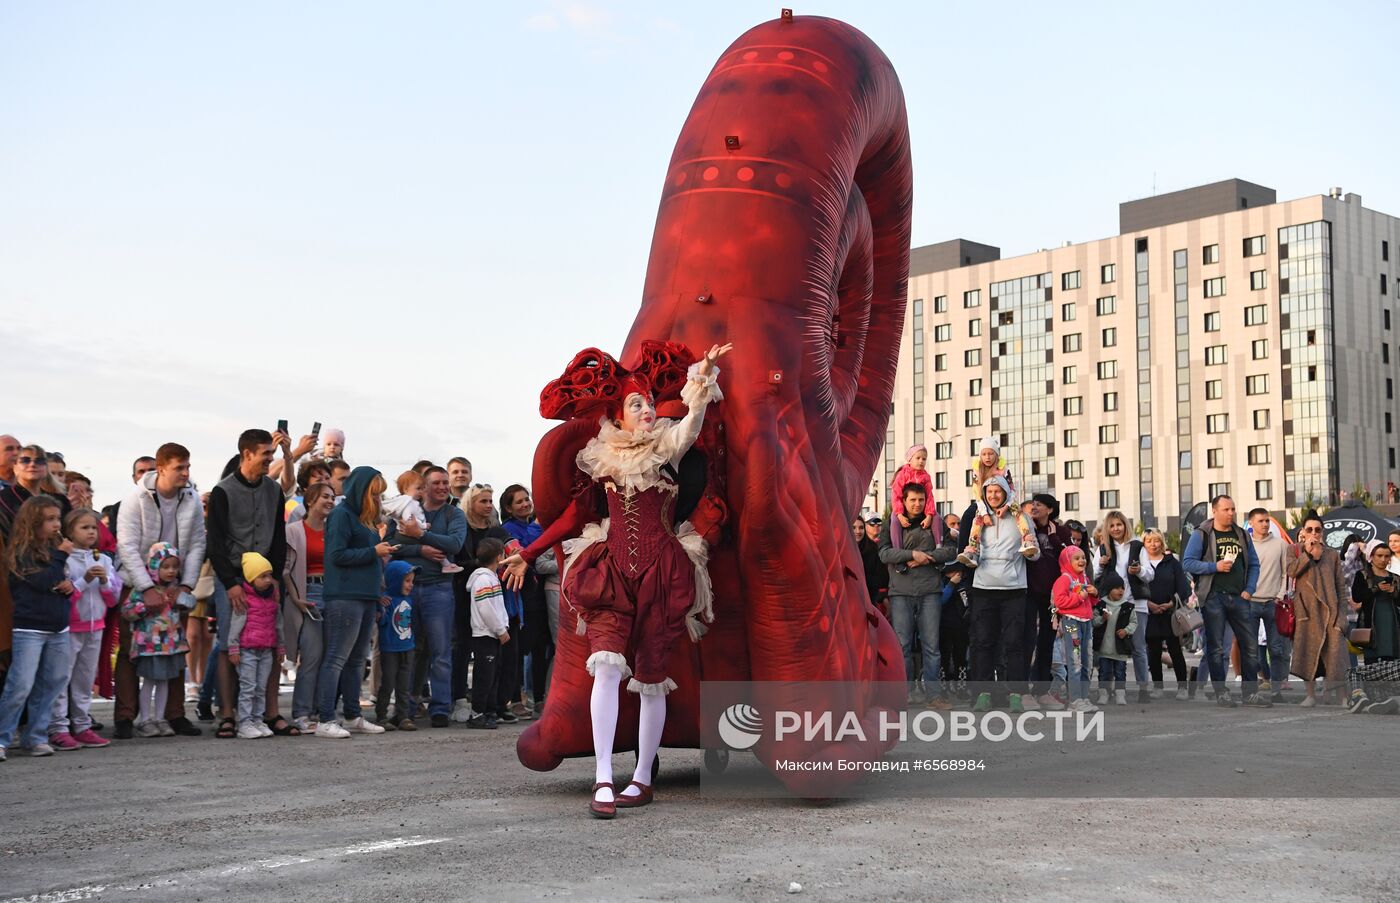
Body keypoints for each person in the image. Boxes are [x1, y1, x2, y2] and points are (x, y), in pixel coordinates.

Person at [503, 341, 729, 818]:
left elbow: (691, 423)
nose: (647, 410)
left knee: (650, 677)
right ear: (619, 416)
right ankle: (604, 776)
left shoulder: (668, 446)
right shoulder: (600, 456)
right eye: (636, 404)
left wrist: (703, 374)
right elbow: (574, 516)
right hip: (610, 573)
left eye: (648, 403)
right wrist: (529, 551)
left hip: (662, 574)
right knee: (605, 668)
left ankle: (643, 776)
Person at [113, 442, 206, 739]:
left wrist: (186, 585)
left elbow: (196, 545)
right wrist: (147, 587)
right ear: (162, 468)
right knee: (130, 652)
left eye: (188, 466)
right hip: (136, 583)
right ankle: (126, 717)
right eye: (180, 467)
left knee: (175, 647)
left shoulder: (190, 499)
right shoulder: (136, 498)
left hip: (174, 584)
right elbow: (126, 546)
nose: (186, 472)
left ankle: (174, 715)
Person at [206, 430, 291, 739]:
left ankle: (269, 711)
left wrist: (276, 577)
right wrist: (230, 583)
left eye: (272, 453)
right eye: (266, 453)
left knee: (269, 643)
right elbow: (214, 542)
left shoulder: (273, 490)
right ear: (246, 455)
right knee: (233, 643)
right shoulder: (223, 491)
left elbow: (279, 539)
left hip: (266, 579)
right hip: (234, 578)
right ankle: (228, 713)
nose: (271, 458)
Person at [387, 465, 466, 728]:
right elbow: (392, 546)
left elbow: (454, 544)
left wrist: (420, 534)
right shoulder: (403, 510)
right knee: (409, 651)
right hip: (408, 590)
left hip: (439, 589)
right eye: (436, 483)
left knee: (441, 652)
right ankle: (406, 707)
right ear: (424, 486)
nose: (443, 487)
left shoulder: (454, 514)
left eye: (446, 483)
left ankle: (440, 708)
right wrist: (421, 549)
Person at [316, 465, 390, 739]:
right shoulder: (341, 515)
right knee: (336, 658)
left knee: (357, 660)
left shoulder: (363, 519)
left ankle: (352, 714)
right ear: (362, 490)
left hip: (365, 596)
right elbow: (336, 555)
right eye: (375, 493)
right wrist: (373, 551)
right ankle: (325, 718)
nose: (379, 498)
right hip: (345, 597)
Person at [0, 496, 75, 761]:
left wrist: (68, 587)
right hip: (30, 629)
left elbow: (58, 582)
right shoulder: (21, 552)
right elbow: (42, 581)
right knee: (20, 684)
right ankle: (2, 737)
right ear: (33, 522)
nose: (57, 525)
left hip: (58, 627)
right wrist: (61, 559)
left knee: (52, 683)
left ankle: (36, 736)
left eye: (58, 518)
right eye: (50, 519)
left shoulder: (55, 551)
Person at [966, 475, 1041, 713]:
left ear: (1007, 492)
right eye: (989, 492)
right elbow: (972, 547)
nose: (994, 496)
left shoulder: (1021, 517)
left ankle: (1016, 693)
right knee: (983, 642)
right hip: (984, 589)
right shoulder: (979, 518)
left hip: (1013, 590)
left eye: (998, 491)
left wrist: (1030, 553)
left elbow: (1036, 552)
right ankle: (983, 693)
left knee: (1014, 643)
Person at [1183, 495, 1266, 707]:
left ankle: (1249, 693)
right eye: (1226, 509)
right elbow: (1188, 563)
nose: (1231, 513)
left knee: (1249, 645)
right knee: (1216, 647)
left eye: (1233, 509)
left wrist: (1249, 588)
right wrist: (1214, 567)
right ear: (1215, 511)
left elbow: (1254, 564)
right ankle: (1222, 692)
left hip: (1239, 597)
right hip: (1213, 597)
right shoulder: (1202, 534)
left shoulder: (1241, 534)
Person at [878, 482, 955, 708]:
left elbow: (951, 550)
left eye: (921, 500)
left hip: (930, 591)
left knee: (932, 646)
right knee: (901, 646)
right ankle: (904, 694)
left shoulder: (936, 522)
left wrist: (926, 557)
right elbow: (884, 553)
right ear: (903, 500)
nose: (917, 504)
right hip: (900, 592)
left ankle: (934, 696)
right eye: (912, 500)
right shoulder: (892, 524)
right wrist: (911, 553)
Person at [48, 509, 119, 750]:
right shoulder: (64, 559)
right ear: (69, 532)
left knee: (85, 679)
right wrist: (85, 579)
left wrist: (104, 581)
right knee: (61, 677)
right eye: (84, 527)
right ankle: (58, 727)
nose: (91, 532)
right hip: (69, 628)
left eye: (94, 528)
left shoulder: (105, 560)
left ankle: (81, 725)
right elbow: (63, 595)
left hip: (95, 627)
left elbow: (112, 599)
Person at [451, 484, 511, 720]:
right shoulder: (462, 528)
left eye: (490, 501)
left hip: (489, 597)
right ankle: (464, 702)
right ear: (470, 503)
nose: (488, 505)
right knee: (464, 650)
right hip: (466, 597)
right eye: (483, 501)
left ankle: (491, 706)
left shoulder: (495, 531)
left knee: (490, 666)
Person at [121, 543, 190, 738]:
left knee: (164, 682)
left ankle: (160, 718)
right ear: (153, 566)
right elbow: (127, 611)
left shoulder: (175, 590)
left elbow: (189, 606)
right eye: (166, 566)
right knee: (150, 681)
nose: (171, 571)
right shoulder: (142, 591)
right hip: (149, 645)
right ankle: (145, 719)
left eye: (175, 567)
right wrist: (145, 607)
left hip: (171, 645)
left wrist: (181, 600)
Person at [1287, 510, 1351, 708]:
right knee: (1307, 653)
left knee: (1337, 656)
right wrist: (1307, 553)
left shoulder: (1332, 554)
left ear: (1322, 532)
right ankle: (1311, 695)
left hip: (1331, 613)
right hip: (1307, 613)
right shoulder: (1294, 550)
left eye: (1317, 529)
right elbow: (1291, 571)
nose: (1314, 533)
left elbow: (1340, 586)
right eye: (1309, 529)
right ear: (1303, 531)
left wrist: (1342, 618)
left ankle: (1342, 697)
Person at [285, 482, 334, 733]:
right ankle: (302, 713)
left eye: (332, 497)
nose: (329, 501)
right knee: (312, 656)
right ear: (311, 500)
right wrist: (295, 599)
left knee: (329, 657)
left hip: (333, 594)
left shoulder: (333, 530)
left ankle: (320, 710)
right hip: (308, 593)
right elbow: (285, 570)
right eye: (325, 496)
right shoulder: (293, 530)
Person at [1093, 511, 1154, 703]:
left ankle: (1143, 687)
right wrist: (1102, 565)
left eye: (1119, 525)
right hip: (1110, 604)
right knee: (1109, 646)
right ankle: (1110, 688)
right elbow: (1093, 575)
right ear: (1106, 529)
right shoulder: (1103, 548)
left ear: (1125, 525)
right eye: (1111, 526)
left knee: (1138, 647)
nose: (1116, 529)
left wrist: (1139, 571)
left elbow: (1150, 574)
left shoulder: (1137, 546)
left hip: (1135, 602)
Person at [501, 485, 548, 717]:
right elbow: (528, 551)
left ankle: (538, 697)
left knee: (540, 647)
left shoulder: (536, 524)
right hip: (522, 592)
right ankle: (516, 697)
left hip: (541, 591)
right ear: (508, 508)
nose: (525, 503)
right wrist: (537, 527)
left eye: (526, 498)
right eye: (518, 501)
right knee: (520, 648)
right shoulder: (508, 529)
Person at [228, 553, 285, 739]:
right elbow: (235, 626)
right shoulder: (244, 600)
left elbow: (278, 625)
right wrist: (234, 648)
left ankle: (257, 719)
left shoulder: (272, 600)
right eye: (263, 576)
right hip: (247, 651)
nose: (269, 580)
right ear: (251, 578)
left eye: (269, 575)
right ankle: (245, 722)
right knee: (248, 687)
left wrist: (280, 646)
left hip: (266, 650)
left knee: (261, 687)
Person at [1024, 493, 1071, 707]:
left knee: (1047, 640)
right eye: (1033, 504)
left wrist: (1054, 539)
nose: (1034, 507)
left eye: (1039, 504)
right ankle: (1023, 690)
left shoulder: (1061, 532)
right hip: (1030, 594)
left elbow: (1072, 558)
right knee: (1028, 639)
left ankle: (1042, 690)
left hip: (1053, 599)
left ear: (1050, 509)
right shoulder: (1026, 528)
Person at [957, 438, 1035, 566]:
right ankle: (972, 549)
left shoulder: (1003, 468)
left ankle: (1027, 539)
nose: (987, 457)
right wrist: (984, 513)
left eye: (991, 453)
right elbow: (977, 494)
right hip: (984, 501)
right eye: (984, 454)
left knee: (1019, 513)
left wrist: (1006, 506)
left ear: (996, 455)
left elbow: (1012, 490)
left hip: (1005, 499)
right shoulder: (977, 470)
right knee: (976, 520)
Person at [1139, 529, 1192, 700]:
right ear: (1143, 543)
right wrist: (1149, 604)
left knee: (1175, 650)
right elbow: (1134, 587)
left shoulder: (1172, 562)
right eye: (1149, 541)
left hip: (1170, 612)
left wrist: (1171, 602)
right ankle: (1157, 686)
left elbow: (1183, 587)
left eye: (1156, 540)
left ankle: (1183, 687)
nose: (1153, 544)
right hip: (1149, 612)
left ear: (1162, 542)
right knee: (1153, 651)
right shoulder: (1140, 564)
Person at [1348, 540, 1400, 713]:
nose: (1383, 559)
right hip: (1370, 622)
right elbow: (1357, 596)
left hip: (1391, 622)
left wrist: (1394, 592)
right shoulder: (1362, 575)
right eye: (1379, 556)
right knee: (1370, 659)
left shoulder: (1395, 578)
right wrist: (1376, 589)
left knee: (1389, 659)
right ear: (1371, 557)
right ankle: (1371, 696)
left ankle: (1386, 697)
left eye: (1387, 556)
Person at [1246, 508, 1293, 700]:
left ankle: (1276, 690)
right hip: (1251, 603)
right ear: (1251, 523)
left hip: (1274, 603)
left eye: (1266, 521)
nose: (1265, 524)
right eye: (1260, 521)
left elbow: (1285, 573)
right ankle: (1251, 689)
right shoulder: (1246, 545)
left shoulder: (1280, 544)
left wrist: (1280, 595)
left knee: (1276, 649)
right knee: (1251, 649)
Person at [466, 538, 509, 730]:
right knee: (484, 676)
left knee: (493, 675)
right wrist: (500, 630)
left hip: (493, 634)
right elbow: (486, 608)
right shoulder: (484, 579)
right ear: (499, 557)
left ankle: (489, 711)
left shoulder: (491, 578)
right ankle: (477, 713)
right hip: (486, 634)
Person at [1050, 545, 1098, 712]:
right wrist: (1079, 597)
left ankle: (1083, 698)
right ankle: (1074, 699)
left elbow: (1090, 603)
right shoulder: (1064, 579)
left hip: (1087, 623)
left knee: (1087, 661)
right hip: (1071, 624)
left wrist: (1094, 594)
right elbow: (1059, 602)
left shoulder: (1084, 579)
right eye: (1077, 558)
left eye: (1083, 557)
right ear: (1067, 561)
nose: (1082, 561)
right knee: (1075, 660)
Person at [375, 561, 418, 731]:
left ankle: (403, 716)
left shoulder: (409, 599)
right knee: (388, 684)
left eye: (412, 581)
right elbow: (382, 622)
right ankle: (381, 716)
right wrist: (381, 607)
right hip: (390, 649)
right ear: (394, 580)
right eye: (407, 581)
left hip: (408, 647)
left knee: (404, 685)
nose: (410, 585)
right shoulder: (387, 600)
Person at [0, 445, 71, 543]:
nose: (32, 464)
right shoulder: (3, 498)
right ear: (15, 467)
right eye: (25, 460)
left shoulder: (61, 500)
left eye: (40, 461)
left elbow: (71, 534)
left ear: (46, 469)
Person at [1094, 571, 1136, 705]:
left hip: (1120, 648)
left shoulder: (1127, 607)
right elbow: (1093, 621)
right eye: (1117, 588)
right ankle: (1103, 693)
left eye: (1122, 588)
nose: (1121, 591)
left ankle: (1120, 694)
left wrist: (1126, 630)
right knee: (1104, 672)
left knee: (1120, 672)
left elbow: (1134, 622)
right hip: (1104, 648)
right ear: (1109, 589)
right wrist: (1102, 619)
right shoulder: (1101, 605)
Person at [889, 444, 938, 552]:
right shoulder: (902, 474)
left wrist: (929, 514)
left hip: (923, 509)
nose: (921, 461)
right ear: (910, 459)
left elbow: (929, 496)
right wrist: (900, 514)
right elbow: (896, 495)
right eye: (918, 458)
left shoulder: (926, 477)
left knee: (937, 518)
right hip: (901, 508)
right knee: (894, 521)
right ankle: (897, 549)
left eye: (924, 459)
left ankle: (939, 545)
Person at [858, 512, 889, 618]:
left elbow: (883, 577)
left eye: (878, 523)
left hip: (874, 597)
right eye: (872, 523)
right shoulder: (846, 548)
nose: (876, 526)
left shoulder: (880, 546)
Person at [383, 470, 430, 535]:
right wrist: (423, 525)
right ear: (406, 489)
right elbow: (408, 519)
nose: (421, 491)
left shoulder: (409, 502)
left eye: (422, 488)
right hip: (407, 535)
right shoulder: (408, 502)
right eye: (418, 488)